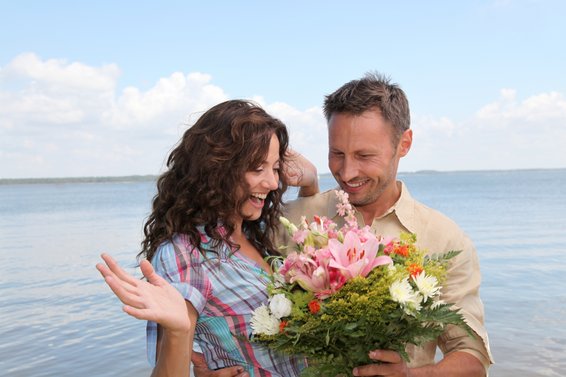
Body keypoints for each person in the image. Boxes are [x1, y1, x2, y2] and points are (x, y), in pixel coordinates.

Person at [278, 72, 493, 376]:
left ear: (404, 144)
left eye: (364, 156)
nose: (348, 172)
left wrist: (411, 376)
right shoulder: (296, 218)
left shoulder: (445, 239)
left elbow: (472, 357)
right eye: (336, 154)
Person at [96, 99, 319, 377]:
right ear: (217, 169)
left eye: (275, 168)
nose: (273, 183)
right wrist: (179, 331)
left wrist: (311, 182)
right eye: (256, 168)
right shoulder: (186, 253)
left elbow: (309, 207)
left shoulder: (258, 232)